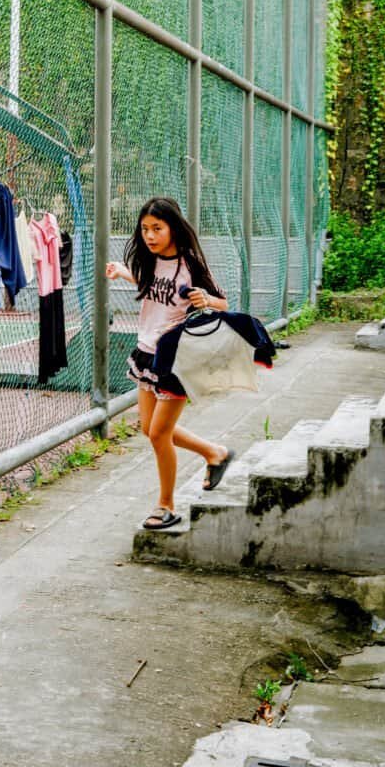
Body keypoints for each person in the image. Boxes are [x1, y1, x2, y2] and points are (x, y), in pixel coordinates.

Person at [106, 197, 235, 531]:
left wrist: (206, 299)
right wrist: (124, 273)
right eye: (145, 229)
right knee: (150, 429)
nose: (149, 235)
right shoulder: (149, 262)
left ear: (173, 228)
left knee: (158, 435)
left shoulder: (190, 264)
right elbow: (152, 285)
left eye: (157, 229)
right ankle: (215, 452)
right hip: (146, 353)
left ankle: (165, 505)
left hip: (177, 360)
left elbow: (223, 302)